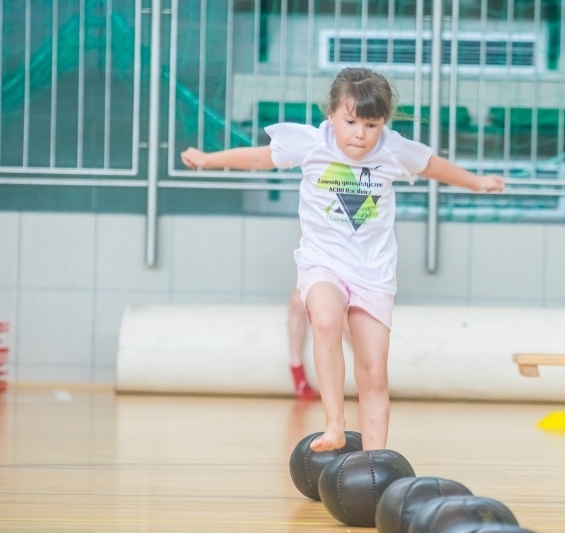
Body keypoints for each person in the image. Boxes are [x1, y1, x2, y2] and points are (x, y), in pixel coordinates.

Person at [181, 67, 505, 452]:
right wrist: (206, 159)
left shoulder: (392, 148)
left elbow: (433, 165)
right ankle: (334, 423)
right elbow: (256, 159)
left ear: (382, 123)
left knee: (373, 374)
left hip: (373, 272)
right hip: (323, 262)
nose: (360, 134)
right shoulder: (310, 143)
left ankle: (374, 461)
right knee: (327, 319)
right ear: (331, 114)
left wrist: (478, 181)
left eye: (371, 125)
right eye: (350, 122)